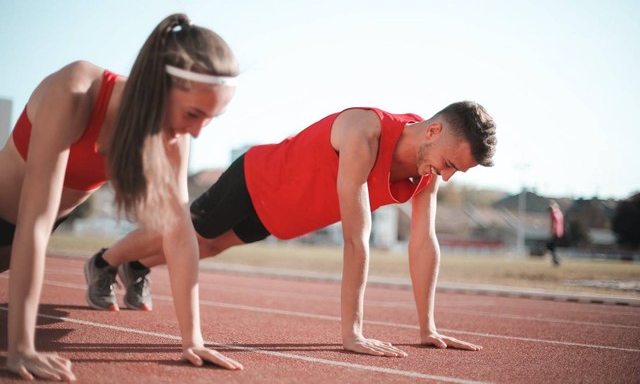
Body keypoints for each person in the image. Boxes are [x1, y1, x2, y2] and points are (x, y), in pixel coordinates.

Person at [88, 101, 497, 358]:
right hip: (258, 178)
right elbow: (357, 238)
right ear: (433, 131)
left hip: (284, 215)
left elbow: (425, 243)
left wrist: (427, 327)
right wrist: (351, 333)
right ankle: (104, 262)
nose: (446, 177)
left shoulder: (428, 175)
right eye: (449, 164)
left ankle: (136, 266)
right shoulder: (364, 131)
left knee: (209, 248)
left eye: (456, 171)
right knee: (191, 233)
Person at [1, 13, 244, 381]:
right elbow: (33, 221)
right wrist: (21, 348)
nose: (197, 132)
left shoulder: (170, 137)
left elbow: (179, 233)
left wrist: (192, 340)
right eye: (193, 114)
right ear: (156, 86)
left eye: (211, 118)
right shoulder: (76, 91)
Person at [547, 200, 564, 266]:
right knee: (552, 247)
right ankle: (556, 260)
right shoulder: (559, 213)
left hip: (555, 232)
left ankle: (557, 260)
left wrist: (552, 231)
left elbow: (554, 223)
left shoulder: (553, 214)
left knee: (551, 247)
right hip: (560, 232)